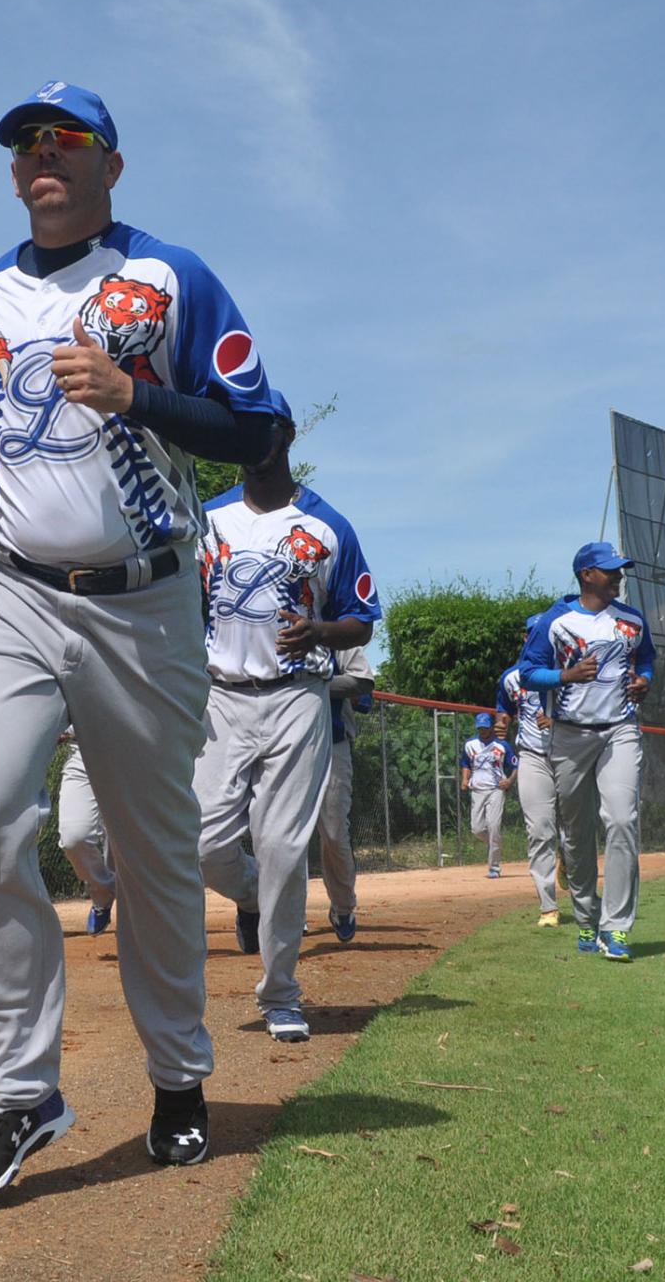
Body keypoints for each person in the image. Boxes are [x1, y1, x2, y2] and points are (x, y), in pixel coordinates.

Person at [0, 81, 281, 1195]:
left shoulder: (167, 277)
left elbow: (255, 428)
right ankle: (16, 1093)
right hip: (13, 592)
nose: (43, 154)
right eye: (27, 141)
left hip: (145, 597)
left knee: (154, 844)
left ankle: (179, 1076)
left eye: (66, 139)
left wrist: (135, 393)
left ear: (109, 165)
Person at [195, 397, 382, 1044]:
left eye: (262, 426)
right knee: (203, 844)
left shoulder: (328, 526)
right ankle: (251, 897)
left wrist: (323, 630)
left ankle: (279, 993)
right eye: (236, 426)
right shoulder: (207, 520)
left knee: (281, 846)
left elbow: (361, 618)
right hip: (220, 693)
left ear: (287, 434)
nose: (250, 437)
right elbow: (182, 604)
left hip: (299, 696)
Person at [519, 543, 654, 961]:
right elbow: (527, 673)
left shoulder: (632, 619)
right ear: (585, 575)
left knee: (621, 819)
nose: (618, 576)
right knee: (576, 835)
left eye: (620, 570)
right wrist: (565, 674)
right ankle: (586, 916)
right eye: (610, 570)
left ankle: (616, 929)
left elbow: (646, 661)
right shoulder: (555, 620)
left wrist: (643, 681)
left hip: (620, 729)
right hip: (570, 736)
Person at [498, 621, 563, 925]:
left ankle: (571, 865)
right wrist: (503, 721)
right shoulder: (511, 678)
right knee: (539, 830)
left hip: (569, 752)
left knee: (575, 832)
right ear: (527, 637)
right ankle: (548, 906)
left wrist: (559, 722)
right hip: (532, 755)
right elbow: (505, 708)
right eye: (534, 633)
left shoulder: (570, 673)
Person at [314, 645, 376, 941]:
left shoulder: (338, 633)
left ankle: (342, 905)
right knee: (278, 835)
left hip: (332, 741)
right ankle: (278, 910)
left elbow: (363, 689)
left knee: (335, 832)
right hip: (278, 744)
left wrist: (309, 683)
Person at [55, 730, 117, 934]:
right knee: (74, 837)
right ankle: (102, 891)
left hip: (135, 751)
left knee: (124, 841)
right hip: (83, 753)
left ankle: (135, 908)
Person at [459, 713, 518, 876]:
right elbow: (465, 763)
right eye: (480, 728)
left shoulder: (502, 745)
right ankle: (495, 843)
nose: (483, 731)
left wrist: (510, 781)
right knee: (477, 829)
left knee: (494, 826)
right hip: (477, 789)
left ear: (491, 727)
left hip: (496, 789)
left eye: (486, 728)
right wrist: (465, 779)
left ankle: (494, 867)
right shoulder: (470, 744)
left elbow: (515, 765)